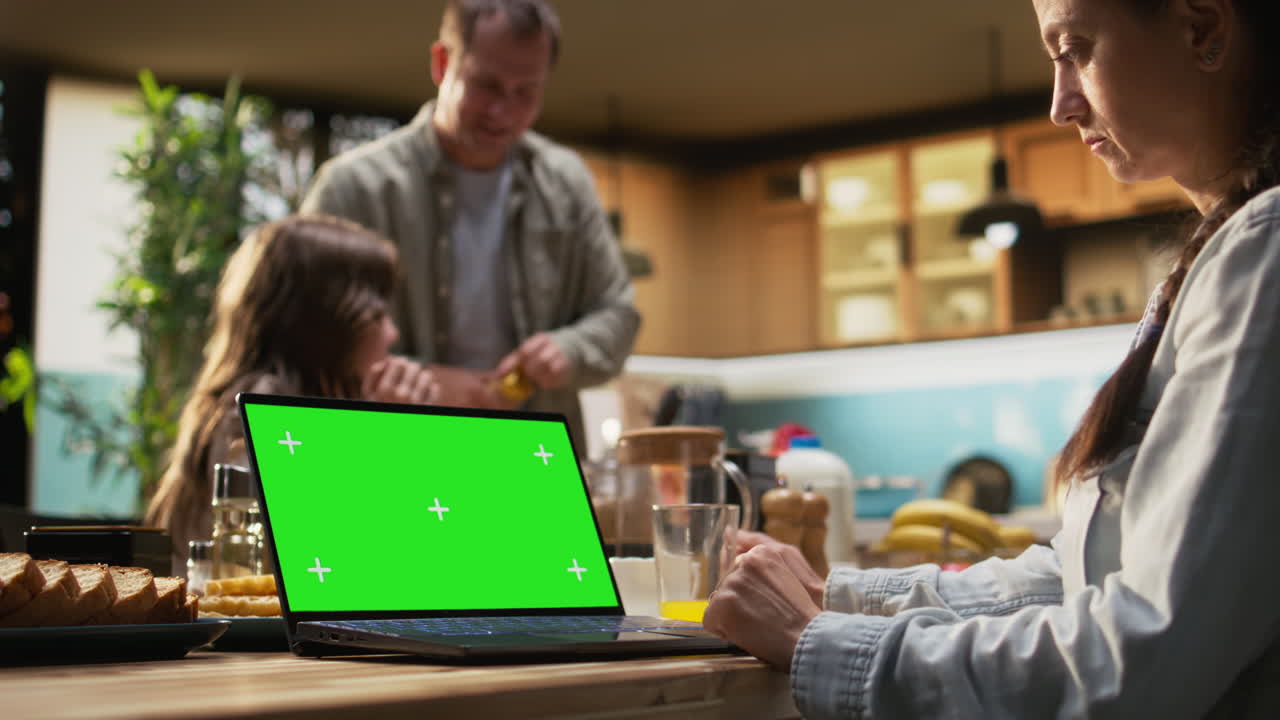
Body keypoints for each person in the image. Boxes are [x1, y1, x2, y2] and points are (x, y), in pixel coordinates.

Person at [703, 0, 1280, 717]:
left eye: (1076, 49)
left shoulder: (1265, 255)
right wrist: (837, 597)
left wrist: (816, 640)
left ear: (1203, 28)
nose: (1060, 104)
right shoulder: (1228, 252)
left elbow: (1143, 658)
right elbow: (1081, 577)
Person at [299, 0, 640, 451]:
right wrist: (418, 380)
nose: (502, 111)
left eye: (526, 93)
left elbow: (618, 313)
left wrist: (569, 349)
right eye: (487, 85)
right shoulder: (352, 188)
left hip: (533, 457)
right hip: (392, 452)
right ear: (442, 63)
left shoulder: (566, 182)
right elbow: (305, 338)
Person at [145, 214, 438, 565]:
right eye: (377, 316)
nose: (392, 335)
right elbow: (326, 561)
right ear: (328, 324)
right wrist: (379, 441)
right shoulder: (257, 414)